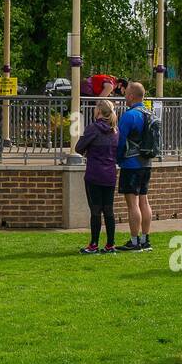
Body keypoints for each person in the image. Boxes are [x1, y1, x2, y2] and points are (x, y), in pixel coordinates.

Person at [116, 81, 157, 251]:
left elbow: (119, 140)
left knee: (132, 204)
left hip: (131, 164)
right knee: (144, 200)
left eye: (126, 94)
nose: (125, 96)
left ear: (132, 96)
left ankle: (134, 241)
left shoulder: (129, 115)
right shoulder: (150, 114)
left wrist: (118, 159)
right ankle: (146, 239)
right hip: (147, 163)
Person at [75, 99, 119, 253]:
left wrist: (89, 151)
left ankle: (93, 245)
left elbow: (78, 147)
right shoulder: (115, 130)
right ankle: (110, 244)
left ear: (99, 111)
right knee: (108, 210)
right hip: (110, 175)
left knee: (95, 210)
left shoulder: (93, 128)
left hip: (94, 174)